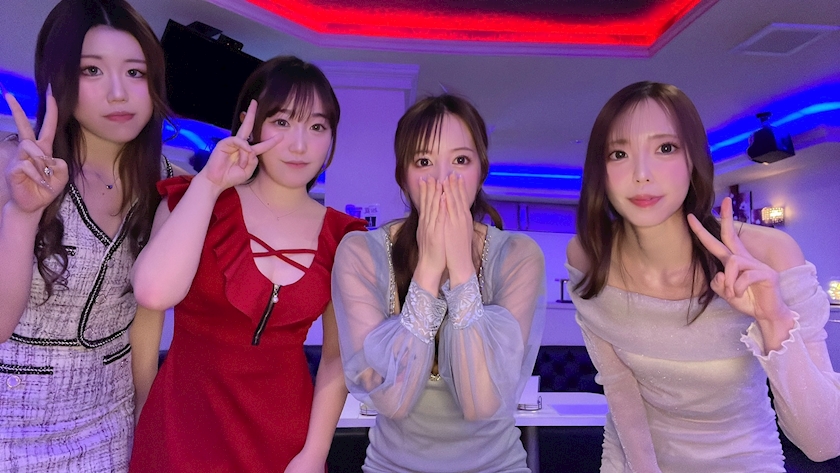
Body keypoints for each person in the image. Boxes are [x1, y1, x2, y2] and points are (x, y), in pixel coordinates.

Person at [567, 81, 840, 472]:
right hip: (631, 461)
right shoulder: (588, 254)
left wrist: (773, 318)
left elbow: (824, 442)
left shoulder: (770, 253)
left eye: (665, 148)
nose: (641, 174)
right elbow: (619, 388)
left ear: (693, 159)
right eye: (619, 153)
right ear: (600, 171)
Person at [129, 56, 367, 472]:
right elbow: (149, 311)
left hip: (284, 440)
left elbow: (336, 356)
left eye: (317, 127)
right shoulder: (192, 200)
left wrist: (314, 453)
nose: (299, 145)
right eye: (282, 122)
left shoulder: (343, 237)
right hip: (181, 428)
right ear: (250, 123)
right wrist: (145, 414)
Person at [0, 0, 178, 471]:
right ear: (58, 78)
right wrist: (22, 214)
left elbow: (147, 319)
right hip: (12, 421)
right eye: (92, 70)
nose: (119, 93)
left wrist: (145, 419)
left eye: (135, 72)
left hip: (110, 421)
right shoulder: (11, 166)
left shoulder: (166, 184)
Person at [332, 94, 546, 472]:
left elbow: (481, 404)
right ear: (403, 176)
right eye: (423, 162)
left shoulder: (518, 255)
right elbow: (392, 403)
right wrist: (429, 269)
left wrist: (461, 268)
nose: (443, 180)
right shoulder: (360, 253)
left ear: (481, 171)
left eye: (460, 160)